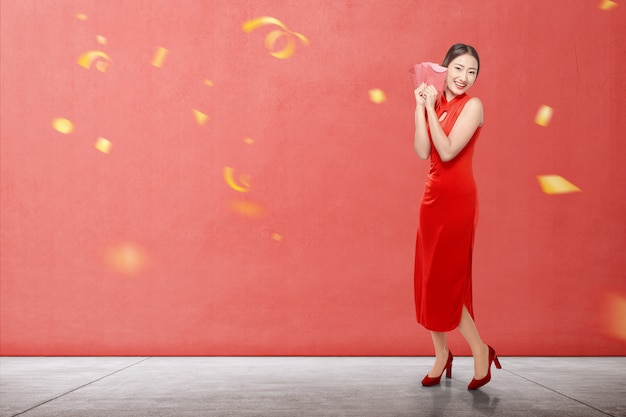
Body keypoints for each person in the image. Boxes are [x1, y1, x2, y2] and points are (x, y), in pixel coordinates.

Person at [413, 43, 500, 390]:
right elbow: (422, 150)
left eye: (472, 72)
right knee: (429, 280)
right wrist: (419, 107)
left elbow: (447, 151)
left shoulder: (473, 106)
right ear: (444, 68)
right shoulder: (434, 104)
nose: (464, 77)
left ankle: (480, 350)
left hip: (459, 202)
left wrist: (431, 112)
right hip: (431, 201)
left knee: (448, 282)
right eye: (458, 69)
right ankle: (441, 354)